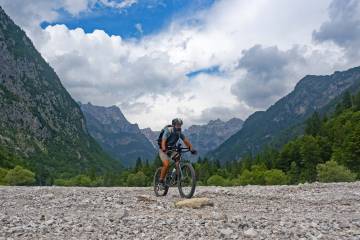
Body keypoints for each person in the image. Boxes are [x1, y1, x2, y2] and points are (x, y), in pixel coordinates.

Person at [158, 118, 196, 188]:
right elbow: (163, 140)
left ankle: (177, 178)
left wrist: (191, 149)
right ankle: (161, 181)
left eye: (180, 125)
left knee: (178, 160)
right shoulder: (168, 130)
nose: (179, 127)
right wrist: (163, 148)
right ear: (173, 125)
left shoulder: (179, 133)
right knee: (166, 164)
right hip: (163, 149)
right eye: (177, 125)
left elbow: (186, 141)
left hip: (172, 149)